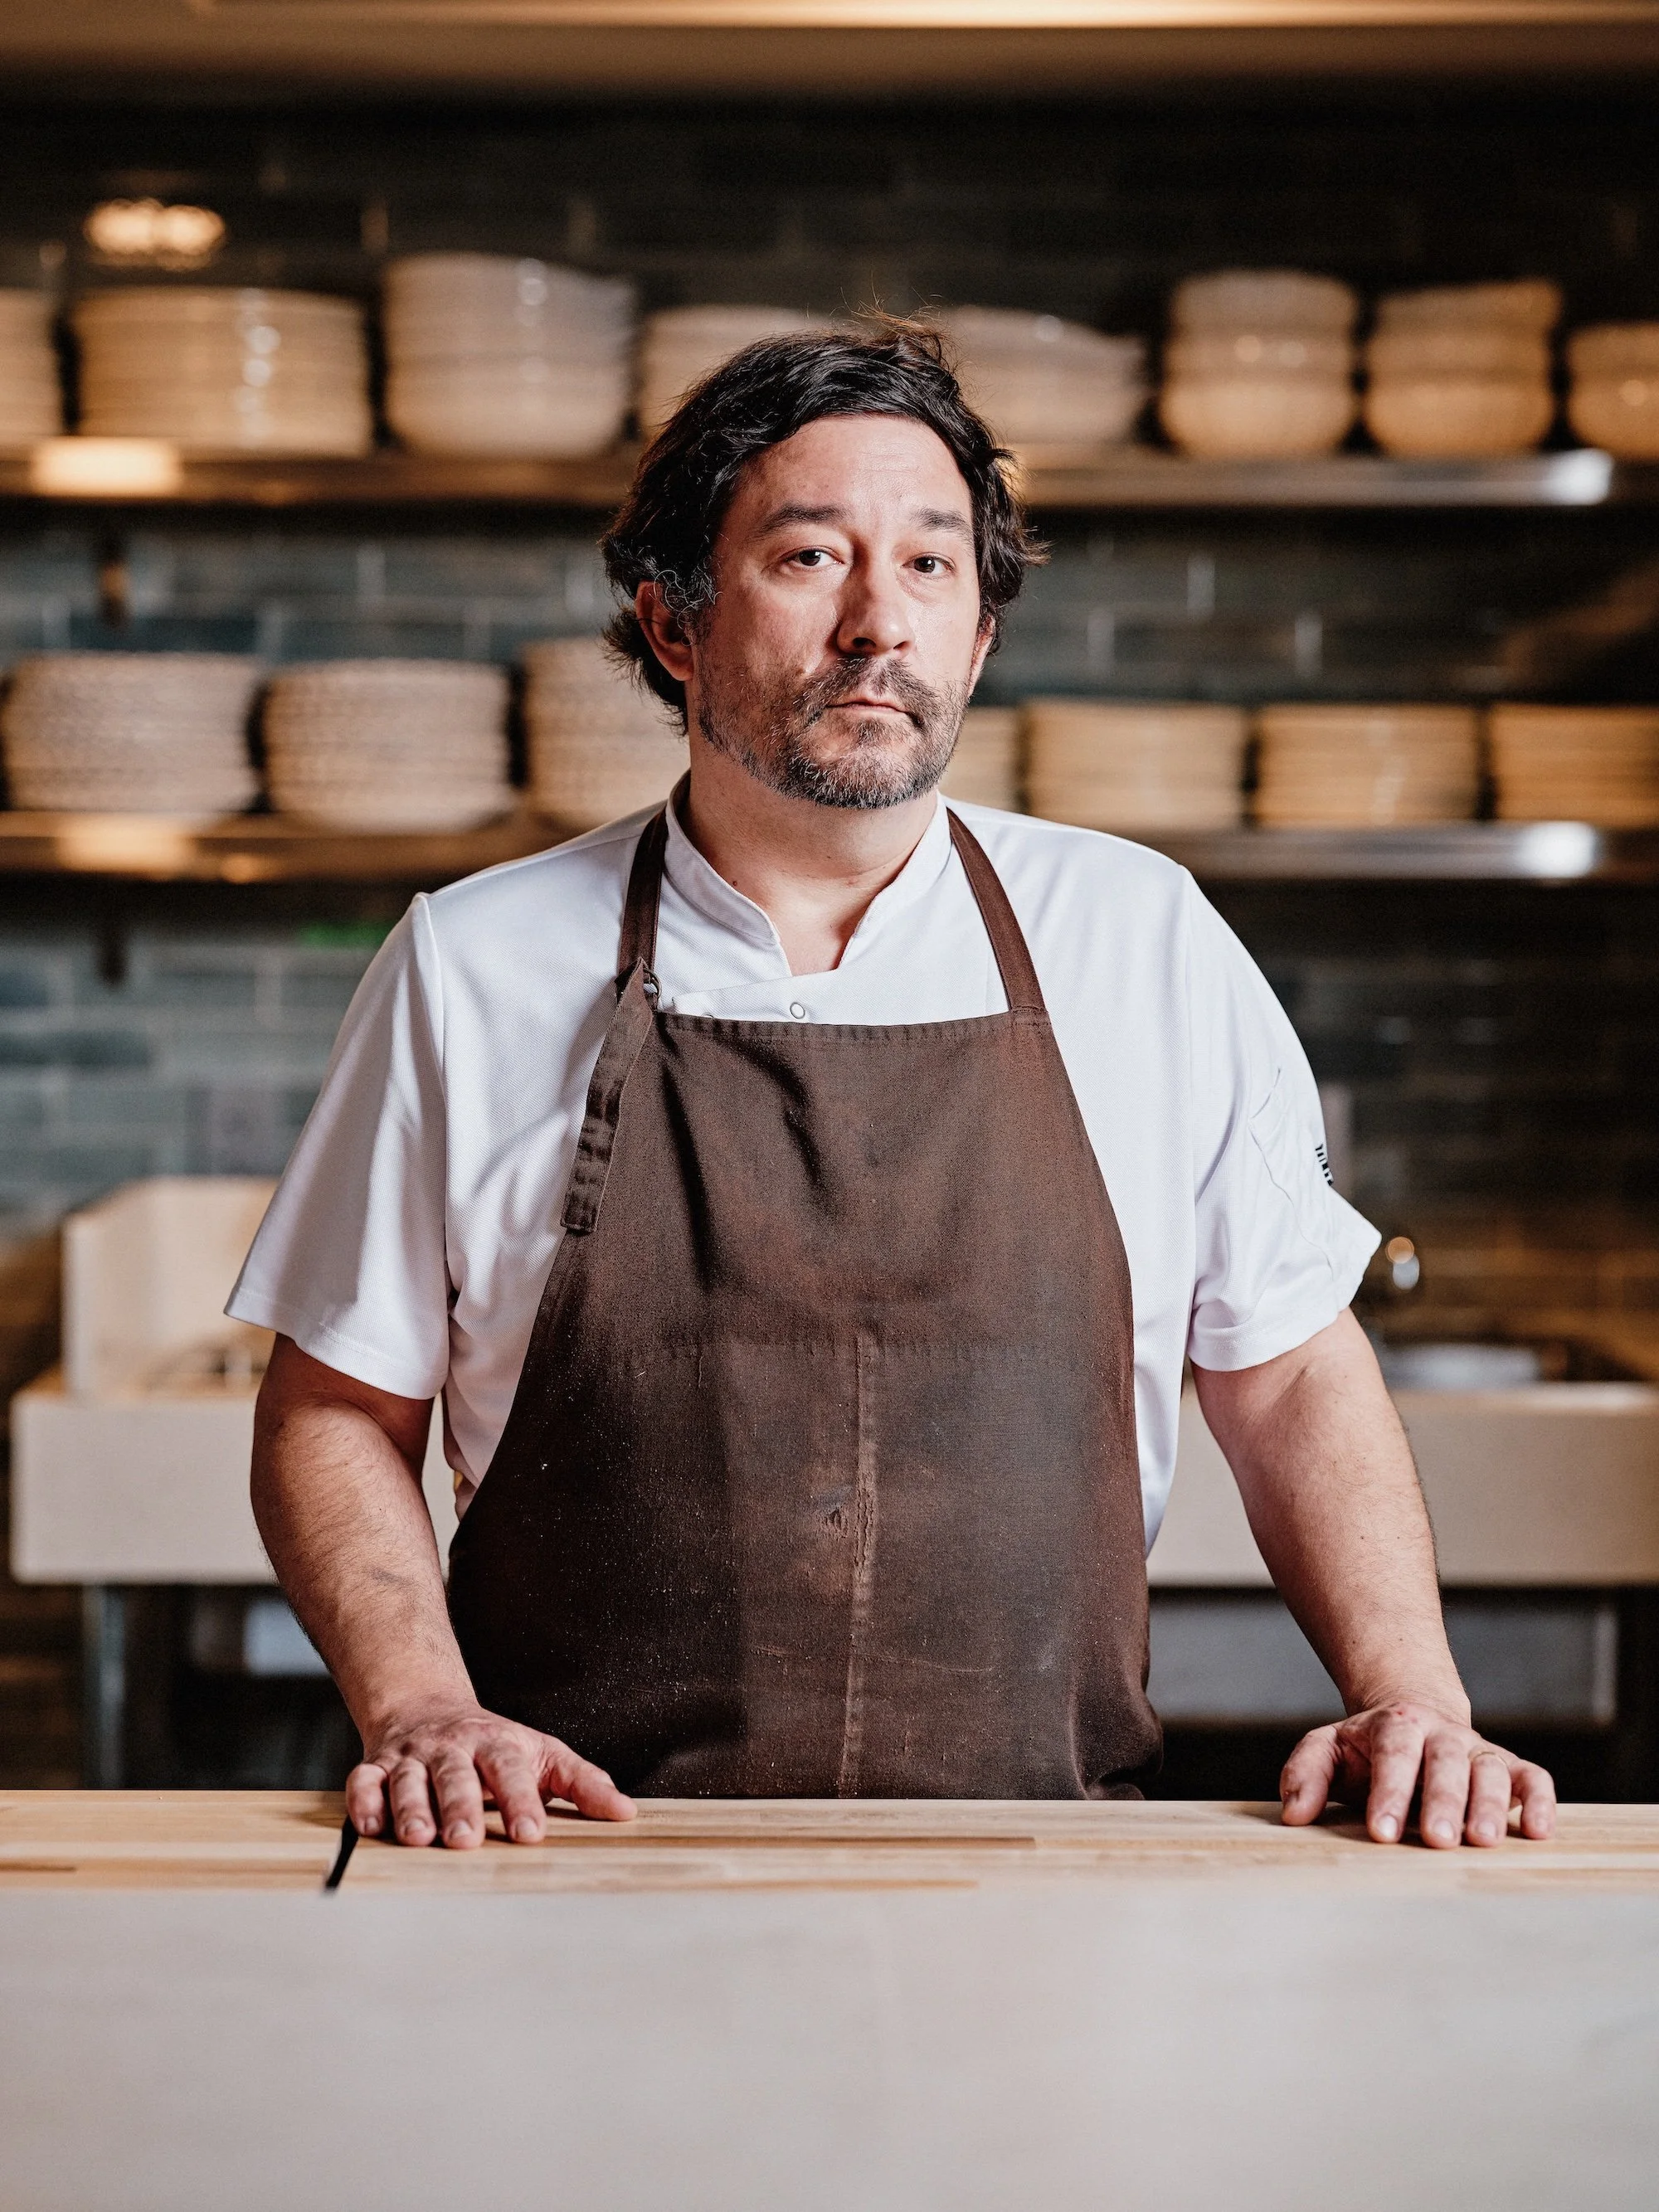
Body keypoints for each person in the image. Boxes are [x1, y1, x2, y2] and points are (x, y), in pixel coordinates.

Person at [232, 322, 1555, 1853]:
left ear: (980, 635)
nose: (881, 622)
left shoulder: (1143, 940)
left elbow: (1292, 1374)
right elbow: (332, 1406)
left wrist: (1416, 1694)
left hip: (1054, 1885)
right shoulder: (473, 964)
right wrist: (421, 1707)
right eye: (810, 557)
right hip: (567, 1871)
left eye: (930, 566)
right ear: (673, 622)